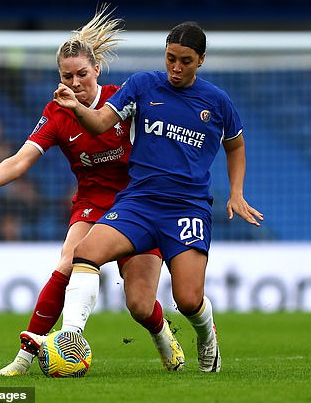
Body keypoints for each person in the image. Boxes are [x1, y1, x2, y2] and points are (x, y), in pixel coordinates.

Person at [0, 5, 184, 376]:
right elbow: (20, 160)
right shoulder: (57, 112)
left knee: (140, 305)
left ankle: (163, 337)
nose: (76, 82)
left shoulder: (123, 100)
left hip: (138, 205)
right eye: (67, 76)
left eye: (82, 74)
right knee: (68, 262)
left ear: (96, 70)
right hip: (93, 206)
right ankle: (24, 359)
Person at [53, 21, 264, 373]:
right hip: (139, 202)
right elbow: (101, 122)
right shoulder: (142, 85)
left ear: (201, 60)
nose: (176, 68)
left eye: (185, 61)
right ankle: (70, 340)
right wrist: (76, 108)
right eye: (170, 59)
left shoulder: (216, 101)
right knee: (85, 253)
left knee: (187, 299)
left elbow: (235, 144)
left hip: (187, 209)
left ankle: (206, 334)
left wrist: (237, 192)